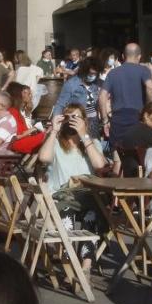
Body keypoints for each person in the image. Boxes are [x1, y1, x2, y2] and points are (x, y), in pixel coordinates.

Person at [37, 104, 110, 270]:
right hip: (61, 196)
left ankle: (86, 265)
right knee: (67, 208)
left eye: (76, 117)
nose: (72, 121)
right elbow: (43, 158)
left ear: (84, 121)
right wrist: (54, 131)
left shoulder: (92, 143)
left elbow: (100, 165)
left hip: (88, 197)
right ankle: (68, 260)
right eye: (69, 117)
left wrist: (84, 135)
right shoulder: (55, 143)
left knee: (92, 212)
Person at [100, 42, 152, 146]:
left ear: (123, 56)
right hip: (137, 116)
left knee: (118, 153)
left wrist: (105, 120)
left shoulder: (112, 73)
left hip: (118, 117)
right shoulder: (143, 70)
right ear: (139, 56)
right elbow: (150, 87)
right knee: (138, 151)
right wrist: (150, 110)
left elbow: (102, 96)